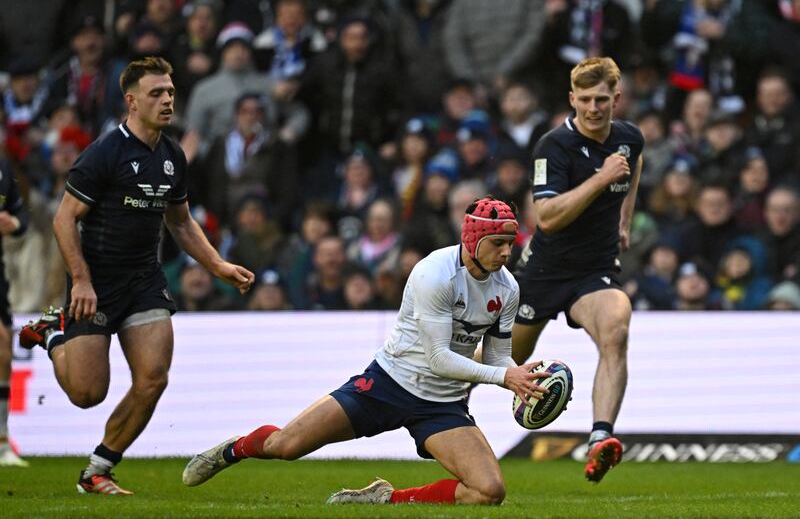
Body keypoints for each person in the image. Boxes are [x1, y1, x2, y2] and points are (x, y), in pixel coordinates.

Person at [182, 197, 551, 506]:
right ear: (472, 239)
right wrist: (505, 376)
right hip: (388, 383)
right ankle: (234, 449)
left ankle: (385, 498)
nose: (507, 252)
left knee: (489, 492)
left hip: (441, 404)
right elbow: (438, 357)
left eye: (510, 242)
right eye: (497, 243)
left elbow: (498, 357)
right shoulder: (434, 274)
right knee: (286, 445)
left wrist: (523, 381)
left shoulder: (508, 288)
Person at [18, 57, 255, 495]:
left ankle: (97, 470)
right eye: (156, 94)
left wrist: (218, 265)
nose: (167, 101)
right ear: (131, 101)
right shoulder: (104, 153)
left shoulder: (172, 156)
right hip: (97, 283)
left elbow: (180, 222)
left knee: (153, 378)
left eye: (170, 92)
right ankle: (53, 334)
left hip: (144, 279)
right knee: (87, 394)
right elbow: (64, 220)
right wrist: (81, 282)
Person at [510, 57, 644, 483]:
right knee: (507, 359)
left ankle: (600, 438)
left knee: (616, 330)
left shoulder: (629, 139)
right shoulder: (554, 146)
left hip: (595, 272)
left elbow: (633, 162)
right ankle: (439, 402)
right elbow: (546, 217)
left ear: (616, 99)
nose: (593, 108)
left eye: (601, 99)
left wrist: (624, 220)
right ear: (572, 99)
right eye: (584, 99)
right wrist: (602, 180)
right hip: (545, 272)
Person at [0, 158, 29, 466]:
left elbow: (21, 213)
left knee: (3, 345)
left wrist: (15, 223)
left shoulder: (3, 168)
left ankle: (2, 442)